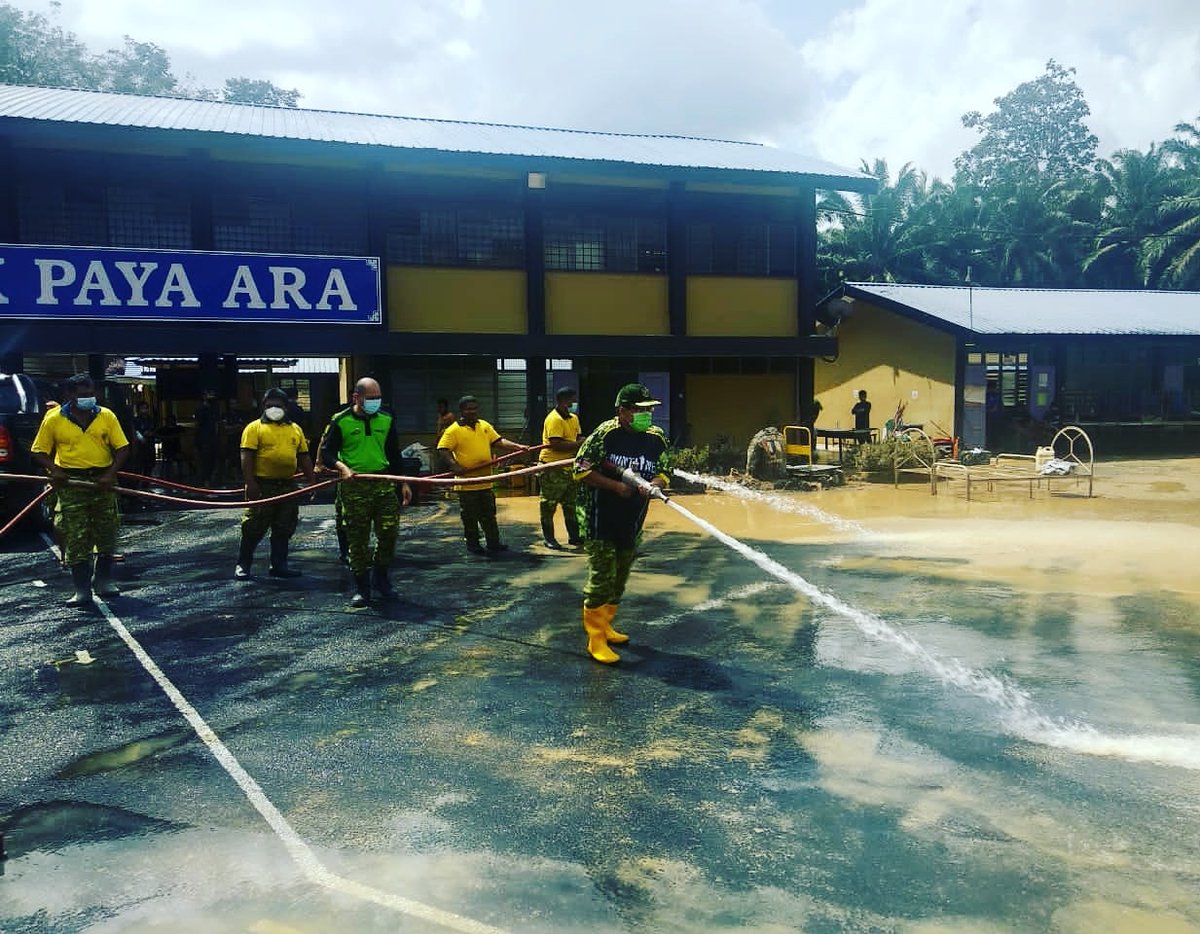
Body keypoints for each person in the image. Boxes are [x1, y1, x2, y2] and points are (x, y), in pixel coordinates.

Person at [573, 383, 671, 664]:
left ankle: (606, 625)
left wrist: (655, 484)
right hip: (600, 518)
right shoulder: (605, 435)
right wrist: (615, 486)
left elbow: (665, 469)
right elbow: (579, 469)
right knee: (602, 578)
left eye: (649, 410)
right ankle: (595, 638)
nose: (646, 415)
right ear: (622, 411)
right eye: (640, 410)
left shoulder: (656, 437)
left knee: (620, 577)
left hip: (632, 518)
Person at [29, 374, 131, 606]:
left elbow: (123, 448)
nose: (89, 398)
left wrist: (110, 474)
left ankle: (103, 580)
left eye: (91, 394)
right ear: (69, 395)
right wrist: (55, 470)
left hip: (102, 480)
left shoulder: (106, 415)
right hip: (71, 482)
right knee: (75, 535)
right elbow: (38, 451)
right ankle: (82, 589)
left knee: (107, 531)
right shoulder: (54, 418)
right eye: (83, 395)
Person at [320, 377, 412, 607]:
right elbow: (327, 453)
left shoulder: (386, 420)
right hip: (354, 487)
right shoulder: (341, 421)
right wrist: (342, 468)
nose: (375, 402)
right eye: (370, 398)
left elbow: (394, 454)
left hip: (383, 484)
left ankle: (381, 578)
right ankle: (362, 588)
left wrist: (404, 483)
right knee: (358, 540)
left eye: (378, 398)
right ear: (356, 398)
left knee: (389, 533)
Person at [234, 387, 317, 581]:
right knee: (253, 527)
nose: (273, 409)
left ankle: (279, 565)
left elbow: (304, 457)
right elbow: (246, 457)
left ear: (286, 408)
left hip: (287, 486)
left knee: (284, 527)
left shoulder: (295, 429)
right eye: (269, 405)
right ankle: (243, 565)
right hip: (262, 485)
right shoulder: (254, 428)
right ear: (263, 406)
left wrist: (312, 481)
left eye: (277, 406)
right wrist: (250, 483)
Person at [437, 394, 527, 556]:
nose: (472, 411)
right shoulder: (453, 430)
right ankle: (473, 544)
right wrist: (454, 465)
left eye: (474, 408)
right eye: (468, 409)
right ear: (461, 411)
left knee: (489, 515)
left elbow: (498, 441)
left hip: (485, 482)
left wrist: (517, 446)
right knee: (470, 517)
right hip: (467, 484)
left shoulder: (484, 425)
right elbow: (443, 449)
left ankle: (494, 543)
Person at [538, 386, 583, 548]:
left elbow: (578, 437)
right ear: (564, 401)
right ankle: (549, 539)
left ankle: (574, 537)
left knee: (571, 504)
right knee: (549, 504)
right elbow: (556, 444)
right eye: (573, 400)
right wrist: (578, 444)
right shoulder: (554, 419)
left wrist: (582, 442)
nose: (575, 402)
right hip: (552, 467)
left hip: (569, 467)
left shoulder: (573, 418)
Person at [193, 389, 220, 487]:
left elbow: (216, 423)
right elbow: (197, 424)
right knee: (204, 460)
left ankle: (211, 479)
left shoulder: (215, 408)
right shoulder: (200, 408)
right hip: (203, 438)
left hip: (213, 438)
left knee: (213, 459)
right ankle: (205, 480)